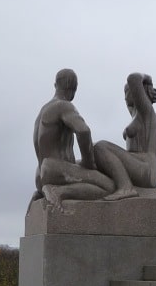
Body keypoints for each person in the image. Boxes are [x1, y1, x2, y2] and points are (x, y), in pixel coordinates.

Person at [32, 69, 115, 212]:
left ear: (55, 85)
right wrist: (89, 162)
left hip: (40, 175)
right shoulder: (63, 105)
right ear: (74, 88)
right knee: (109, 186)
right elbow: (83, 131)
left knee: (83, 169)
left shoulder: (43, 110)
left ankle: (40, 193)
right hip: (55, 171)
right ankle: (58, 192)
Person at [94, 72, 156, 200]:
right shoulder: (135, 114)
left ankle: (126, 187)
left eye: (127, 92)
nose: (125, 97)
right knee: (92, 155)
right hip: (136, 164)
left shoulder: (147, 113)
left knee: (101, 147)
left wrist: (148, 80)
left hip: (146, 169)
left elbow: (133, 78)